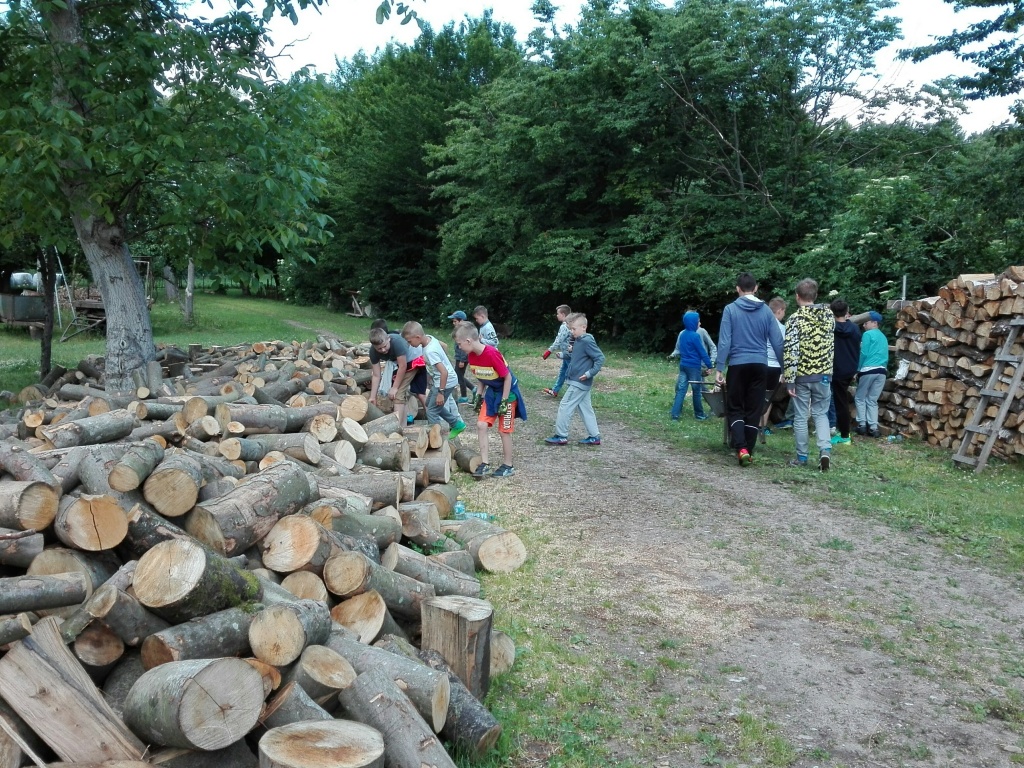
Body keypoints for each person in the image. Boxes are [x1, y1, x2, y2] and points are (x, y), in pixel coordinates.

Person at [714, 273, 784, 466]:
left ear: (737, 289)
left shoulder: (730, 310)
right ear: (756, 288)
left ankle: (741, 448)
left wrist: (720, 367)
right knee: (753, 409)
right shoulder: (766, 312)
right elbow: (777, 342)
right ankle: (749, 450)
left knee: (735, 407)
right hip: (760, 365)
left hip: (738, 365)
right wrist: (785, 367)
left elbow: (725, 340)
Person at [454, 322, 526, 478]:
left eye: (459, 344)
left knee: (503, 430)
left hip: (508, 393)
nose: (459, 347)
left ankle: (508, 465)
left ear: (468, 341)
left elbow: (507, 377)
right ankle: (485, 464)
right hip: (491, 393)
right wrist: (479, 395)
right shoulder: (472, 356)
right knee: (481, 425)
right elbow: (482, 376)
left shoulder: (492, 354)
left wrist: (505, 401)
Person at [783, 278, 835, 471]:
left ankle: (802, 457)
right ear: (815, 295)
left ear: (798, 296)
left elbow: (790, 351)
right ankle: (824, 450)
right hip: (824, 375)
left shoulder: (795, 319)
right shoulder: (829, 316)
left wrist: (789, 380)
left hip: (802, 376)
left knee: (801, 416)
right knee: (821, 413)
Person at [545, 312, 605, 446]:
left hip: (580, 382)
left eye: (574, 329)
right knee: (586, 409)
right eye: (570, 329)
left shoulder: (587, 341)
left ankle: (561, 436)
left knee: (565, 406)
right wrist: (563, 355)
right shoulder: (578, 341)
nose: (572, 332)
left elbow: (600, 358)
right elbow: (576, 357)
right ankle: (594, 437)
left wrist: (589, 373)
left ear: (583, 327)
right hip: (579, 382)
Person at [402, 321, 467, 440]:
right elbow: (443, 346)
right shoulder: (430, 338)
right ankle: (456, 423)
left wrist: (441, 393)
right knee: (429, 404)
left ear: (418, 337)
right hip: (441, 380)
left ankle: (437, 438)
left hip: (445, 381)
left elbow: (444, 372)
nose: (409, 344)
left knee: (431, 411)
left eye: (409, 341)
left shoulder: (430, 351)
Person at [368, 326, 427, 428]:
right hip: (399, 364)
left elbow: (403, 366)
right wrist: (373, 396)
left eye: (385, 346)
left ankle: (397, 429)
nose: (383, 350)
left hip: (414, 360)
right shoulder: (373, 352)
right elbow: (377, 375)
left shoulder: (397, 343)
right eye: (379, 349)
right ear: (373, 347)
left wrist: (394, 387)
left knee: (398, 394)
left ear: (389, 339)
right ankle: (403, 428)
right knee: (398, 394)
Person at [830, 299, 861, 447]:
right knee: (840, 400)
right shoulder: (854, 328)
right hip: (850, 369)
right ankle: (841, 430)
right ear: (847, 310)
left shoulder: (830, 328)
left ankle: (844, 435)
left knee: (840, 402)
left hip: (836, 369)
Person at [670, 311, 712, 421]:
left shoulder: (683, 334)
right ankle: (699, 415)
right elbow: (702, 352)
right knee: (697, 391)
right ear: (693, 323)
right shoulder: (695, 336)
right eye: (698, 321)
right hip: (694, 367)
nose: (699, 323)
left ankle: (675, 415)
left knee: (681, 390)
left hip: (683, 365)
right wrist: (709, 365)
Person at [855, 311, 888, 438]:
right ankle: (874, 427)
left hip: (868, 369)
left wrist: (858, 369)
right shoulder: (883, 337)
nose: (864, 325)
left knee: (860, 397)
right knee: (872, 400)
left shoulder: (868, 335)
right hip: (881, 371)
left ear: (874, 323)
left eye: (866, 322)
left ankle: (862, 424)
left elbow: (864, 353)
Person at [760, 296, 788, 434]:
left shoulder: (760, 323)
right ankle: (762, 426)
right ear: (780, 310)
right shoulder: (782, 328)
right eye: (784, 312)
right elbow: (783, 349)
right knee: (768, 398)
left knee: (757, 394)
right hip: (774, 366)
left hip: (760, 363)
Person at [542, 304, 572, 397]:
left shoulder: (564, 326)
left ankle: (572, 393)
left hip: (569, 354)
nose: (557, 315)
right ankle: (555, 390)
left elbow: (559, 340)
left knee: (569, 374)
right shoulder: (571, 324)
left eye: (558, 314)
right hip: (567, 353)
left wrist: (549, 350)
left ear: (563, 314)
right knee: (563, 372)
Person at [447, 310, 473, 403]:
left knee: (459, 376)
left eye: (455, 321)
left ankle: (464, 396)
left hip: (462, 358)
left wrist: (462, 360)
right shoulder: (459, 331)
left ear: (461, 321)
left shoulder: (464, 332)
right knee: (459, 375)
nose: (453, 323)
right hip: (459, 357)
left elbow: (464, 348)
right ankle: (473, 389)